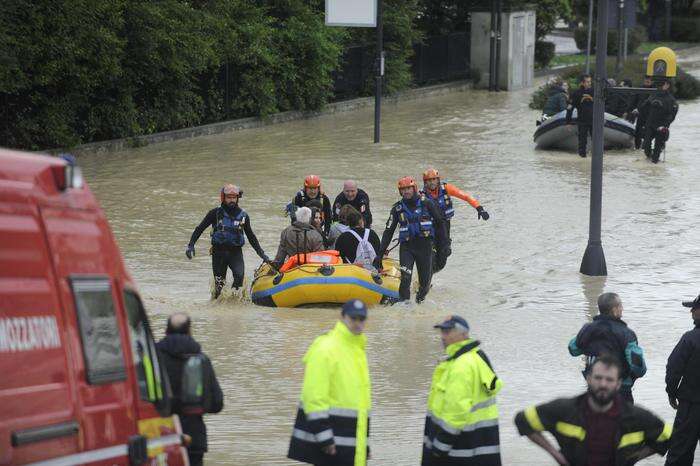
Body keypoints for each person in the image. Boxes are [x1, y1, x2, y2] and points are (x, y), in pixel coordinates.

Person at [514, 354, 671, 466]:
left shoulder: (636, 417)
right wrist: (556, 455)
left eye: (609, 379)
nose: (603, 384)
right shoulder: (564, 410)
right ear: (588, 379)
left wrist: (634, 458)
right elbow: (523, 420)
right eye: (598, 378)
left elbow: (669, 436)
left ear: (618, 384)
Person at [288, 299, 371, 466]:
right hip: (331, 442)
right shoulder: (325, 348)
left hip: (351, 442)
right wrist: (324, 437)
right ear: (342, 318)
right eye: (353, 318)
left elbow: (359, 402)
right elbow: (314, 396)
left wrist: (364, 444)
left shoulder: (358, 350)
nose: (357, 323)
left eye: (361, 319)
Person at [422, 315, 502, 466]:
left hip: (457, 449)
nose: (443, 337)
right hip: (479, 444)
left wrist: (440, 447)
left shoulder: (461, 366)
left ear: (464, 334)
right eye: (442, 332)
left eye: (448, 332)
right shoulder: (475, 356)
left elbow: (457, 411)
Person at [156, 313, 223, 466]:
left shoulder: (154, 359)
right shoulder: (202, 360)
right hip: (194, 438)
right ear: (189, 332)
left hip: (160, 435)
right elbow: (217, 403)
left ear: (166, 332)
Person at [186, 184, 270, 298]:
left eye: (234, 197)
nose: (232, 200)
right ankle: (218, 307)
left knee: (239, 277)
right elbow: (200, 228)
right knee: (219, 285)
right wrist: (191, 245)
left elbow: (251, 236)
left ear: (237, 198)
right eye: (229, 197)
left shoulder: (243, 216)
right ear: (223, 198)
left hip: (235, 253)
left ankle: (233, 305)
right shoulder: (215, 213)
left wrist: (262, 254)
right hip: (218, 253)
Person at [376, 176, 448, 304]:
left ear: (414, 188)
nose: (406, 192)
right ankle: (404, 306)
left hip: (425, 247)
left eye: (408, 188)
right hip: (407, 248)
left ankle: (419, 302)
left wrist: (444, 245)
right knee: (405, 277)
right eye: (403, 189)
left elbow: (440, 224)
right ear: (400, 191)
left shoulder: (427, 203)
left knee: (425, 284)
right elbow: (388, 232)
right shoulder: (397, 209)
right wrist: (379, 255)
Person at [568, 292, 647, 404]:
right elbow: (639, 368)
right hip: (620, 390)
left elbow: (573, 349)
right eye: (620, 306)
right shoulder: (627, 334)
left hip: (594, 389)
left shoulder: (587, 329)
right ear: (615, 310)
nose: (622, 309)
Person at [421, 168, 488, 272]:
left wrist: (479, 208)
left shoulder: (446, 188)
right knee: (430, 255)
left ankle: (428, 275)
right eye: (429, 180)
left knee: (443, 257)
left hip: (444, 226)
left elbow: (465, 196)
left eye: (434, 179)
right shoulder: (421, 196)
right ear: (425, 182)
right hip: (430, 228)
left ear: (438, 180)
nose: (432, 182)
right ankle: (424, 278)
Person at [665, 293, 700, 466]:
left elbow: (673, 368)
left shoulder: (690, 338)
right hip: (690, 402)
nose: (692, 312)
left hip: (691, 405)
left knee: (680, 453)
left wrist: (671, 393)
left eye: (695, 308)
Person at [641, 79, 678, 163]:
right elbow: (644, 109)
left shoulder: (671, 99)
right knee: (646, 145)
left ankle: (654, 164)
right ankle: (649, 157)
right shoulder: (653, 95)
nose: (660, 87)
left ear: (668, 85)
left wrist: (665, 125)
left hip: (661, 126)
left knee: (657, 147)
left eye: (662, 85)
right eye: (659, 85)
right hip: (650, 124)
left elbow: (672, 115)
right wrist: (644, 106)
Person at [566, 74, 594, 158]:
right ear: (582, 83)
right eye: (587, 82)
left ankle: (596, 158)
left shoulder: (595, 91)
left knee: (597, 141)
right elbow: (570, 108)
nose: (589, 83)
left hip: (594, 121)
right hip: (582, 121)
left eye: (590, 82)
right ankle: (582, 158)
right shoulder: (576, 93)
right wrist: (568, 122)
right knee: (582, 142)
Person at [630, 76, 654, 149]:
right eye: (645, 81)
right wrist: (631, 109)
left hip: (650, 114)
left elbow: (649, 102)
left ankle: (646, 147)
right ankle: (637, 147)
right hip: (640, 114)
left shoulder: (654, 90)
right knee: (638, 131)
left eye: (648, 81)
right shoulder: (640, 89)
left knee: (648, 132)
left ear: (652, 81)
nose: (646, 82)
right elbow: (634, 100)